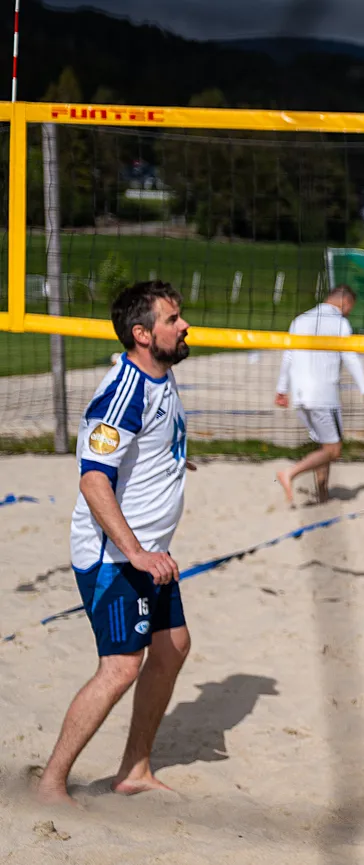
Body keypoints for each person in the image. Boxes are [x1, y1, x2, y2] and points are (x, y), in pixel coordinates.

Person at [35, 281, 196, 805]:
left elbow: (140, 448)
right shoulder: (124, 390)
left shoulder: (161, 376)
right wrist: (135, 553)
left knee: (172, 650)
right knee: (121, 665)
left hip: (149, 557)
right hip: (116, 558)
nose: (185, 325)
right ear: (142, 334)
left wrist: (171, 462)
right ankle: (51, 783)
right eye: (173, 319)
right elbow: (93, 480)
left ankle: (135, 769)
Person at [274, 285, 364, 506]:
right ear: (345, 302)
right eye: (350, 308)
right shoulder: (340, 323)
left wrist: (282, 389)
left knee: (324, 444)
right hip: (323, 395)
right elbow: (350, 357)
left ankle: (322, 493)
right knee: (333, 450)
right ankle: (290, 473)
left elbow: (288, 356)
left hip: (300, 395)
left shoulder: (299, 319)